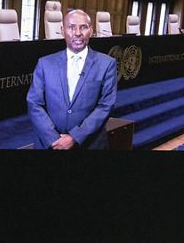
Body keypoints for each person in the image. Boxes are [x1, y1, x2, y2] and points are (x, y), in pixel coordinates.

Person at [25, 9, 119, 150]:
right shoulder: (45, 63)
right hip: (50, 144)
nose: (77, 33)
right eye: (71, 27)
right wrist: (53, 139)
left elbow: (106, 106)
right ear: (63, 30)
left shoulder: (107, 64)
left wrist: (75, 137)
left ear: (91, 30)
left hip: (90, 144)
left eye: (83, 27)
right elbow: (34, 103)